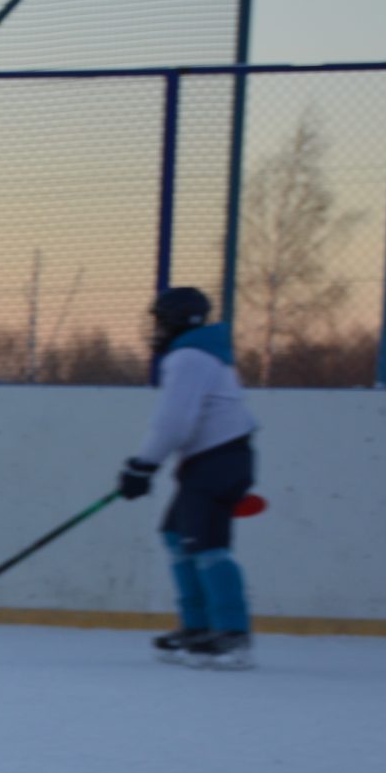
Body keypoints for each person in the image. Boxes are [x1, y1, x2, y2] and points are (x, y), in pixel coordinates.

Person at [118, 285, 259, 670]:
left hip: (219, 460)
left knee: (207, 544)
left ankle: (232, 633)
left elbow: (175, 421)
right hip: (211, 460)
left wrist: (143, 465)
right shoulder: (199, 355)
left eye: (160, 320)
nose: (156, 328)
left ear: (179, 320)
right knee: (177, 535)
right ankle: (197, 627)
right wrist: (145, 466)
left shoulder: (189, 357)